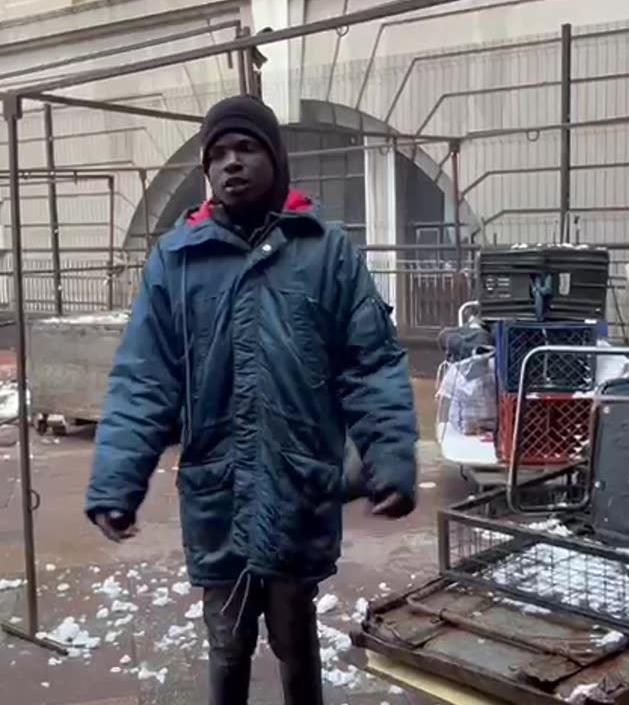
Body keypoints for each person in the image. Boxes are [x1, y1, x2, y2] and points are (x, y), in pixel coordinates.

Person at [84, 95, 418, 705]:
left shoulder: (326, 251)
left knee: (295, 634)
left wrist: (388, 458)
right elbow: (143, 380)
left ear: (275, 158)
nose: (230, 164)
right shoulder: (177, 261)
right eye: (217, 154)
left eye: (246, 149)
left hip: (299, 488)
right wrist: (116, 482)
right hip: (219, 493)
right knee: (227, 639)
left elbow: (370, 364)